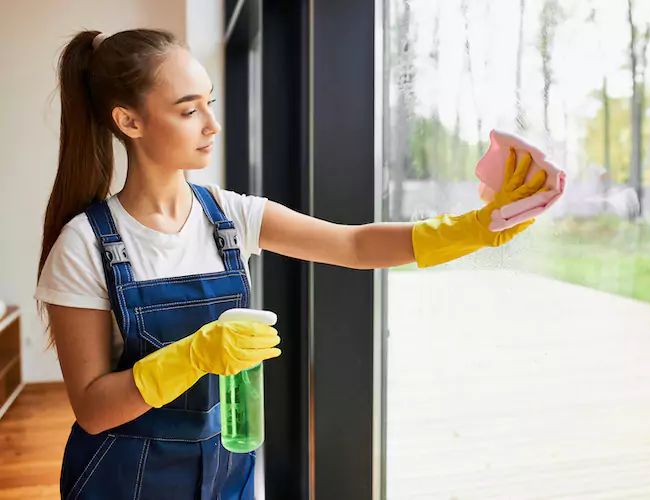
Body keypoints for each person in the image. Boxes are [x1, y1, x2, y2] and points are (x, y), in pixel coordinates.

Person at [34, 29, 547, 499]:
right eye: (189, 111)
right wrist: (191, 356)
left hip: (226, 472)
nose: (212, 124)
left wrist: (478, 228)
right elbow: (95, 411)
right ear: (129, 120)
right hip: (126, 481)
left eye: (209, 103)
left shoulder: (229, 216)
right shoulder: (84, 246)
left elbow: (353, 246)